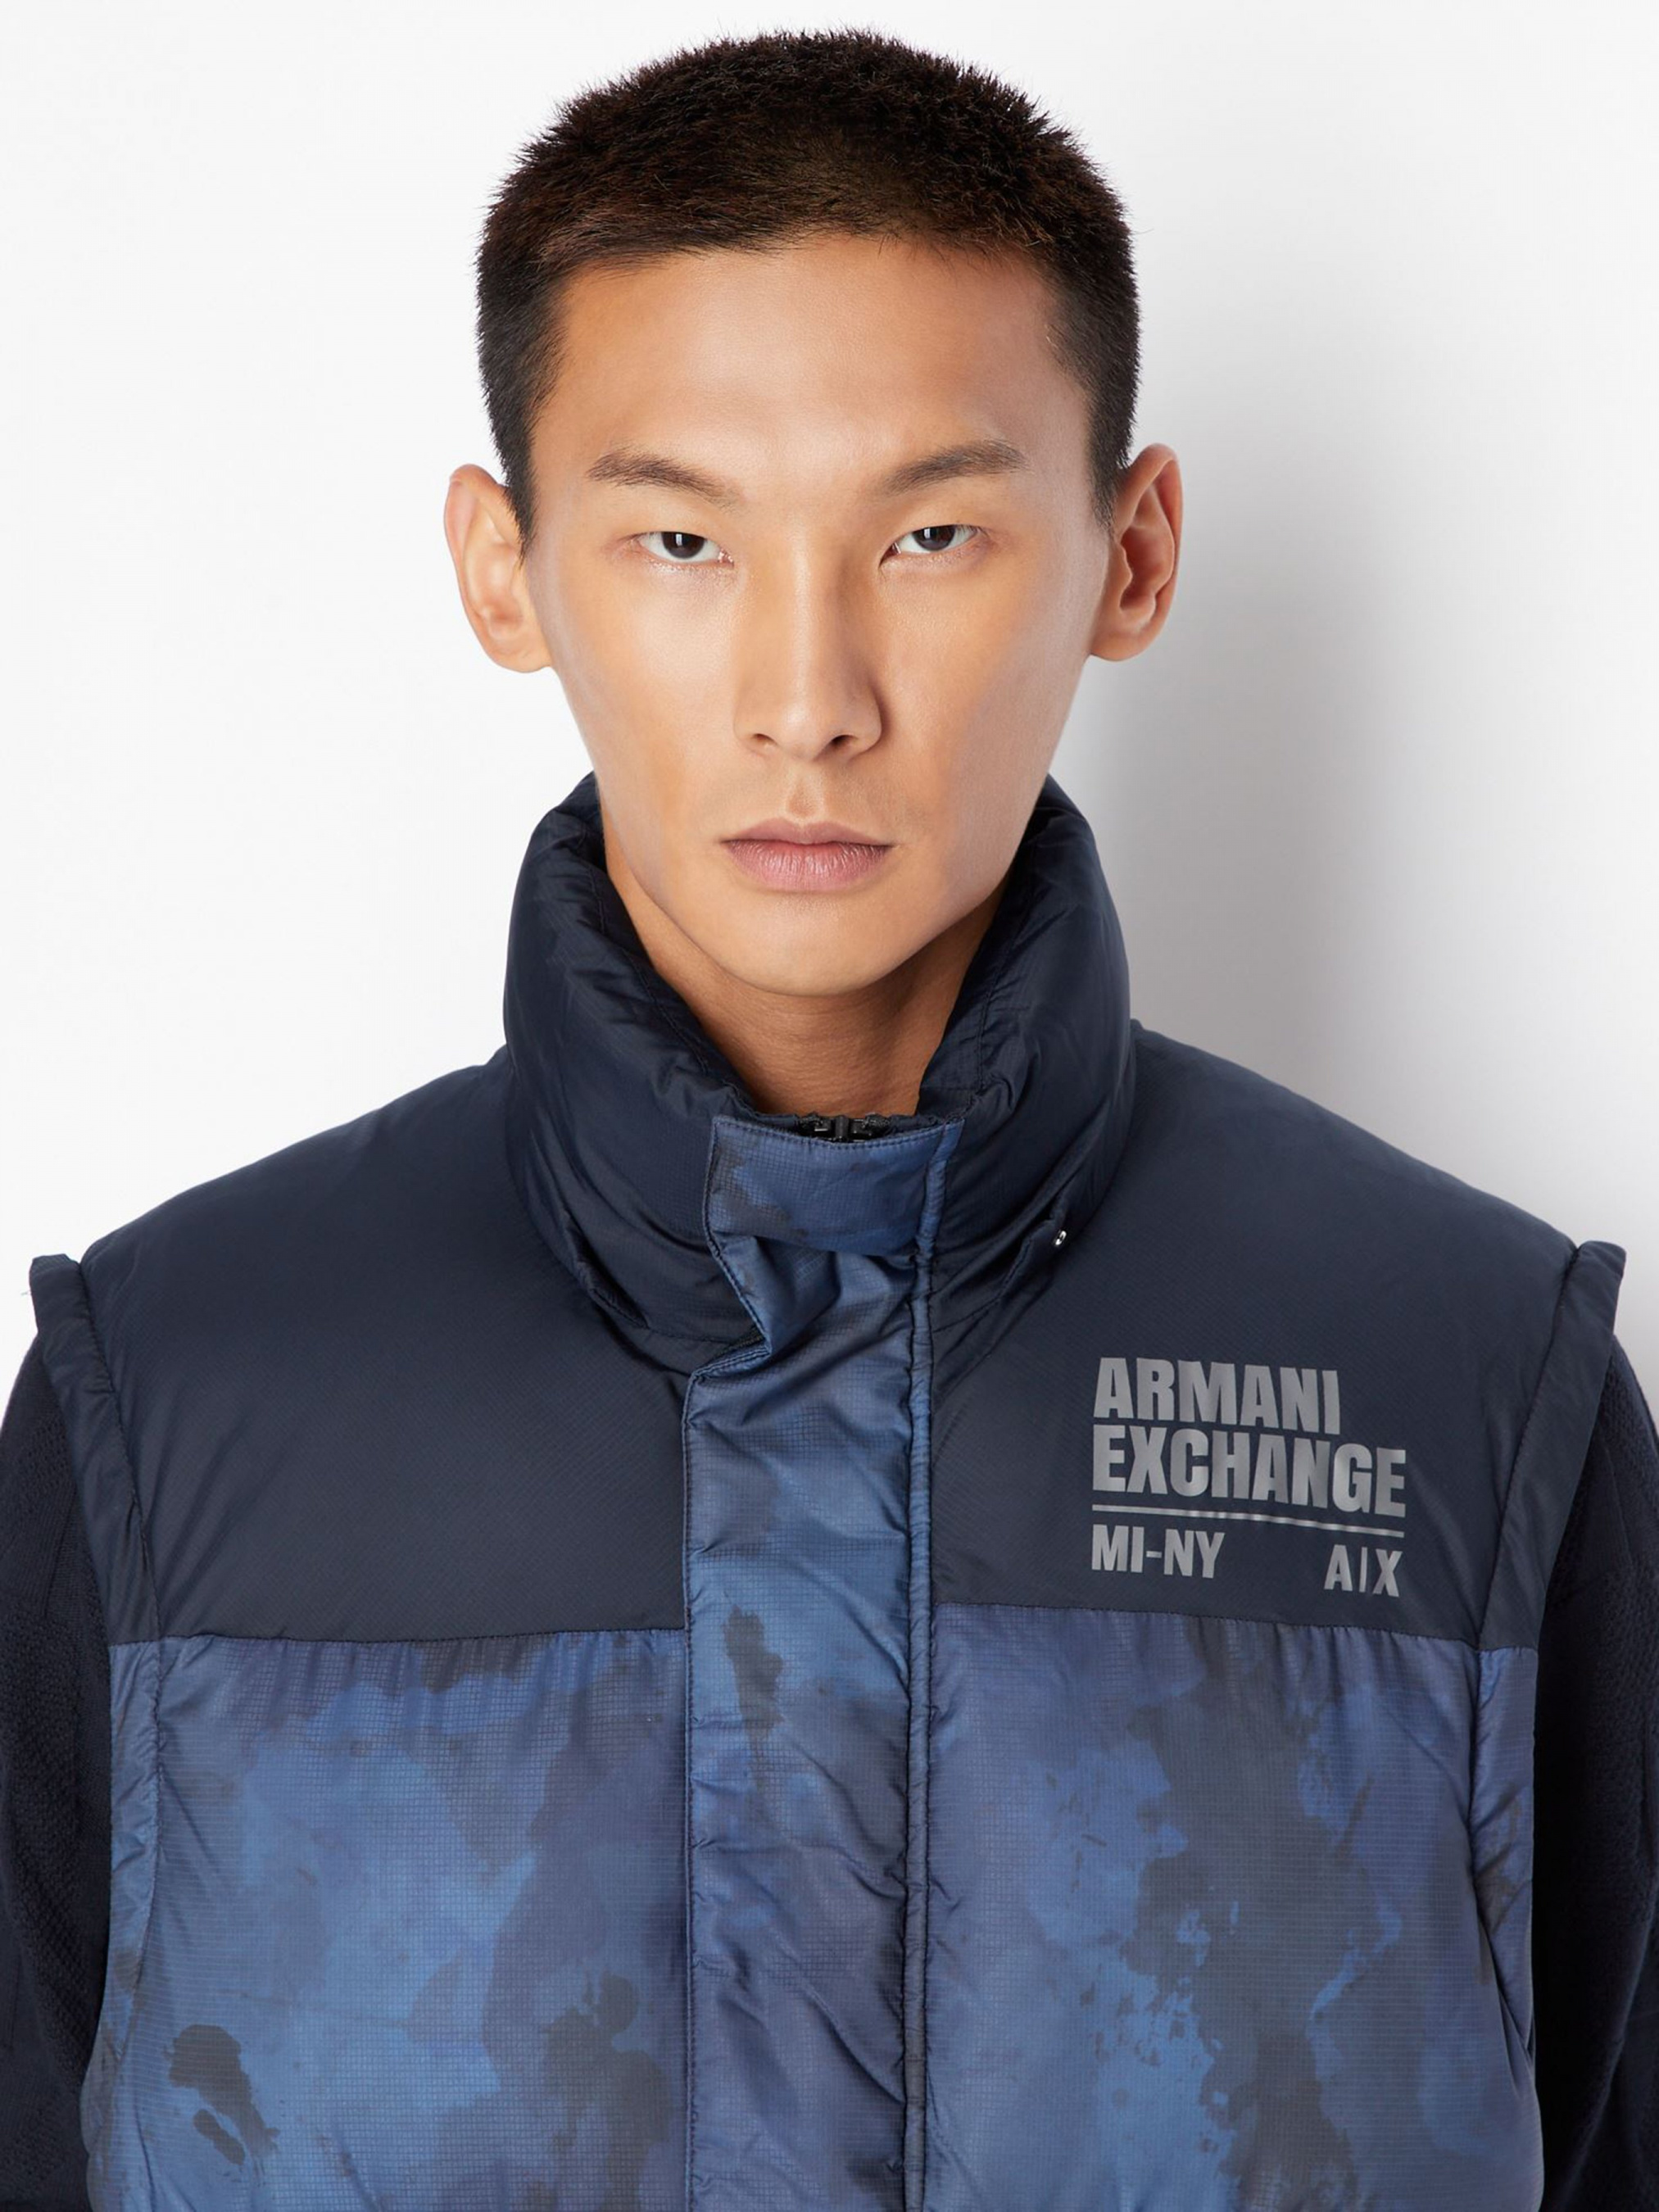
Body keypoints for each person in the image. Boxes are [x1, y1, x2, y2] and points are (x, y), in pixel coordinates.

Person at [2, 25, 1653, 2210]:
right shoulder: (169, 1402)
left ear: (1132, 550)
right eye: (682, 536)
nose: (807, 696)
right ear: (503, 568)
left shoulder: (1477, 1388)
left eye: (932, 532)